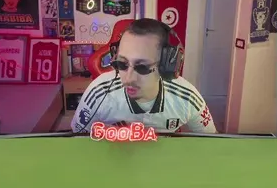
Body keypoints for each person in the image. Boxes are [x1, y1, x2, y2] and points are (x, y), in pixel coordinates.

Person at [71, 18, 216, 135]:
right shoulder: (98, 93)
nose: (129, 79)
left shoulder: (187, 97)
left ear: (166, 66)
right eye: (122, 64)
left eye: (142, 67)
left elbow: (211, 143)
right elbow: (77, 140)